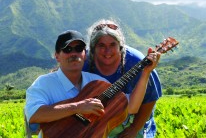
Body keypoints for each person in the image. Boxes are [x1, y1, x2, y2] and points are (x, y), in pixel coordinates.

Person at [25, 30, 155, 138]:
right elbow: (34, 114)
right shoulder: (44, 83)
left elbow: (130, 107)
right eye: (67, 49)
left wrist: (145, 73)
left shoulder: (96, 82)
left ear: (85, 55)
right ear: (57, 56)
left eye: (79, 48)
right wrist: (78, 107)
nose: (74, 53)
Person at [82, 19, 162, 138]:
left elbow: (149, 100)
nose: (107, 51)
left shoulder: (137, 62)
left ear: (120, 46)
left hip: (133, 121)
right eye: (101, 45)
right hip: (95, 122)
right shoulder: (83, 62)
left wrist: (134, 128)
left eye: (112, 45)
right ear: (93, 48)